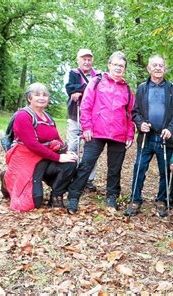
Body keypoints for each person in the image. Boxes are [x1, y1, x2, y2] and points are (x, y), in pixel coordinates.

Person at [66, 51, 135, 214]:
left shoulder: (127, 89)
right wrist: (86, 127)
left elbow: (130, 113)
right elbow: (86, 105)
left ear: (124, 69)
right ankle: (74, 196)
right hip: (96, 131)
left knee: (115, 168)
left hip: (119, 134)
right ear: (109, 65)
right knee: (86, 164)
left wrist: (130, 134)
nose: (118, 68)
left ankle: (112, 196)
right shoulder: (97, 82)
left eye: (122, 66)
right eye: (116, 65)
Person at [1, 82, 78, 212]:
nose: (41, 98)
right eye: (37, 95)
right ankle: (6, 179)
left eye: (45, 95)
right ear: (29, 98)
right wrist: (58, 157)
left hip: (45, 158)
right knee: (33, 203)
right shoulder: (23, 116)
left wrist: (67, 152)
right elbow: (32, 145)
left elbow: (56, 138)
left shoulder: (48, 117)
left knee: (70, 163)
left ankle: (56, 195)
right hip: (27, 158)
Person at [124, 55, 173, 218]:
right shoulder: (142, 88)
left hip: (165, 138)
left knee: (165, 171)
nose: (157, 68)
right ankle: (135, 199)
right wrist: (140, 123)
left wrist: (171, 129)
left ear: (165, 69)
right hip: (146, 137)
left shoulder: (172, 89)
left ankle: (161, 200)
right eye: (154, 65)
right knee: (139, 167)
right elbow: (134, 112)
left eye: (161, 65)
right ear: (149, 68)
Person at [65, 49, 99, 191]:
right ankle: (69, 175)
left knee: (90, 150)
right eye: (83, 59)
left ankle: (88, 179)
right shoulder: (72, 73)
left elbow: (98, 91)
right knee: (72, 147)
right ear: (78, 60)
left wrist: (80, 90)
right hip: (75, 116)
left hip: (93, 119)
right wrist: (82, 89)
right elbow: (69, 88)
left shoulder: (97, 75)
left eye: (89, 59)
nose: (86, 62)